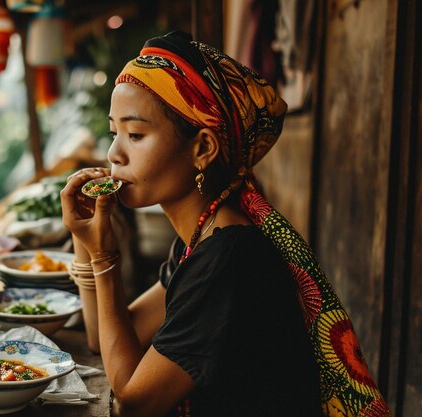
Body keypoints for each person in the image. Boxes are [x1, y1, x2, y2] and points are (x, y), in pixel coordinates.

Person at [60, 31, 390, 417]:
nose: (114, 153)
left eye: (135, 134)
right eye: (115, 132)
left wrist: (104, 255)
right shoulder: (202, 236)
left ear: (202, 148)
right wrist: (84, 238)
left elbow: (133, 401)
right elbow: (107, 338)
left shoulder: (230, 256)